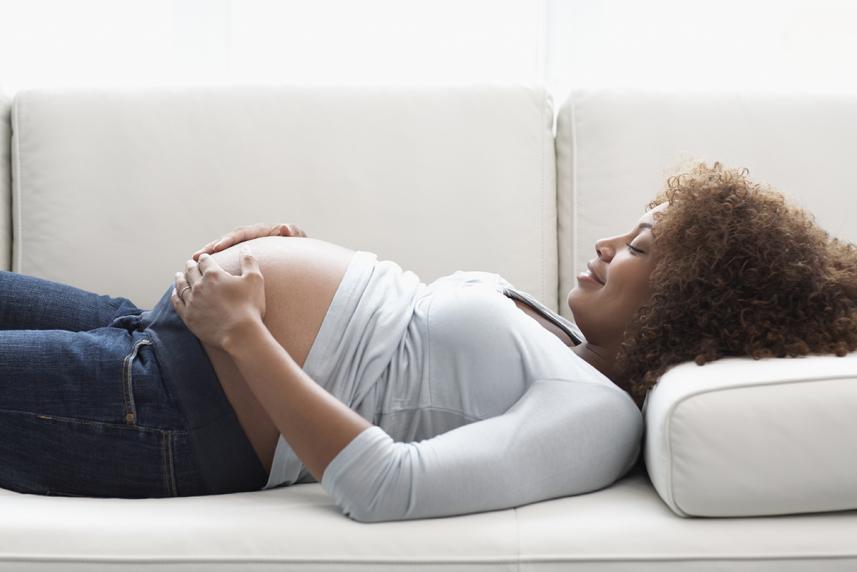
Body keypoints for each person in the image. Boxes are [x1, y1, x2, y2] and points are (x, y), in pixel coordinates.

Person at [1, 161, 854, 522]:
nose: (603, 247)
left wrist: (249, 330)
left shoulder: (596, 417)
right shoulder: (558, 336)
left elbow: (388, 486)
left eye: (636, 250)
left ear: (690, 308)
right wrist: (280, 257)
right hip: (156, 336)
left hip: (169, 411)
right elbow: (387, 351)